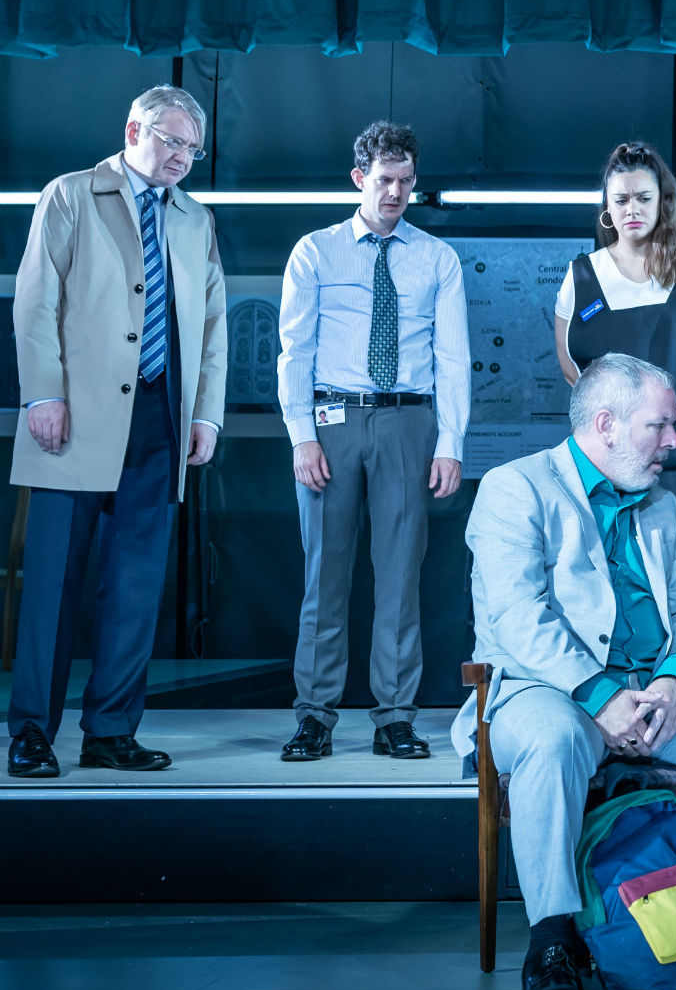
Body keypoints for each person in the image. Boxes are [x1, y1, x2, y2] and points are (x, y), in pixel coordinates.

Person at [452, 353, 676, 990]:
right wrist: (601, 696)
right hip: (546, 690)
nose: (674, 440)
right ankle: (551, 944)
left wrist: (675, 680)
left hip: (652, 692)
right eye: (659, 425)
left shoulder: (662, 505)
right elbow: (518, 618)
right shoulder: (515, 488)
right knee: (553, 741)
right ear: (606, 424)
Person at [7, 87, 226, 780]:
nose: (182, 157)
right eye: (172, 140)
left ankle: (109, 731)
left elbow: (213, 322)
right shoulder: (71, 195)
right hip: (73, 417)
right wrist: (43, 393)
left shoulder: (195, 219)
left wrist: (205, 414)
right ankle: (31, 732)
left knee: (135, 588)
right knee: (52, 585)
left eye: (193, 148)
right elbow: (36, 301)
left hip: (159, 419)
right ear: (134, 131)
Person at [276, 122, 470, 763]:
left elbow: (452, 358)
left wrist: (450, 442)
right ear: (359, 178)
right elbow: (294, 350)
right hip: (332, 420)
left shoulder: (437, 259)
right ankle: (314, 717)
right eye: (385, 180)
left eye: (406, 181)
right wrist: (302, 436)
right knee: (324, 577)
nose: (395, 193)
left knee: (400, 577)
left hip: (407, 423)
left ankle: (395, 718)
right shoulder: (315, 252)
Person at [554, 143, 676, 685]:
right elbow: (573, 368)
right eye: (621, 200)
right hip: (616, 464)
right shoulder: (581, 276)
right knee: (619, 588)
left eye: (644, 197)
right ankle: (623, 717)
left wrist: (675, 423)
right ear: (606, 208)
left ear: (664, 202)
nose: (632, 209)